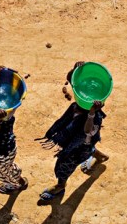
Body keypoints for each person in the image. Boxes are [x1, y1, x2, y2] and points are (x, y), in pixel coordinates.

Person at [36, 63, 108, 202]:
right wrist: (77, 71)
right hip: (82, 142)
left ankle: (60, 186)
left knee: (63, 167)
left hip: (78, 148)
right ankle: (101, 157)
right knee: (87, 145)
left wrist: (92, 113)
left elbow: (87, 132)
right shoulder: (78, 107)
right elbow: (71, 79)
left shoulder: (95, 118)